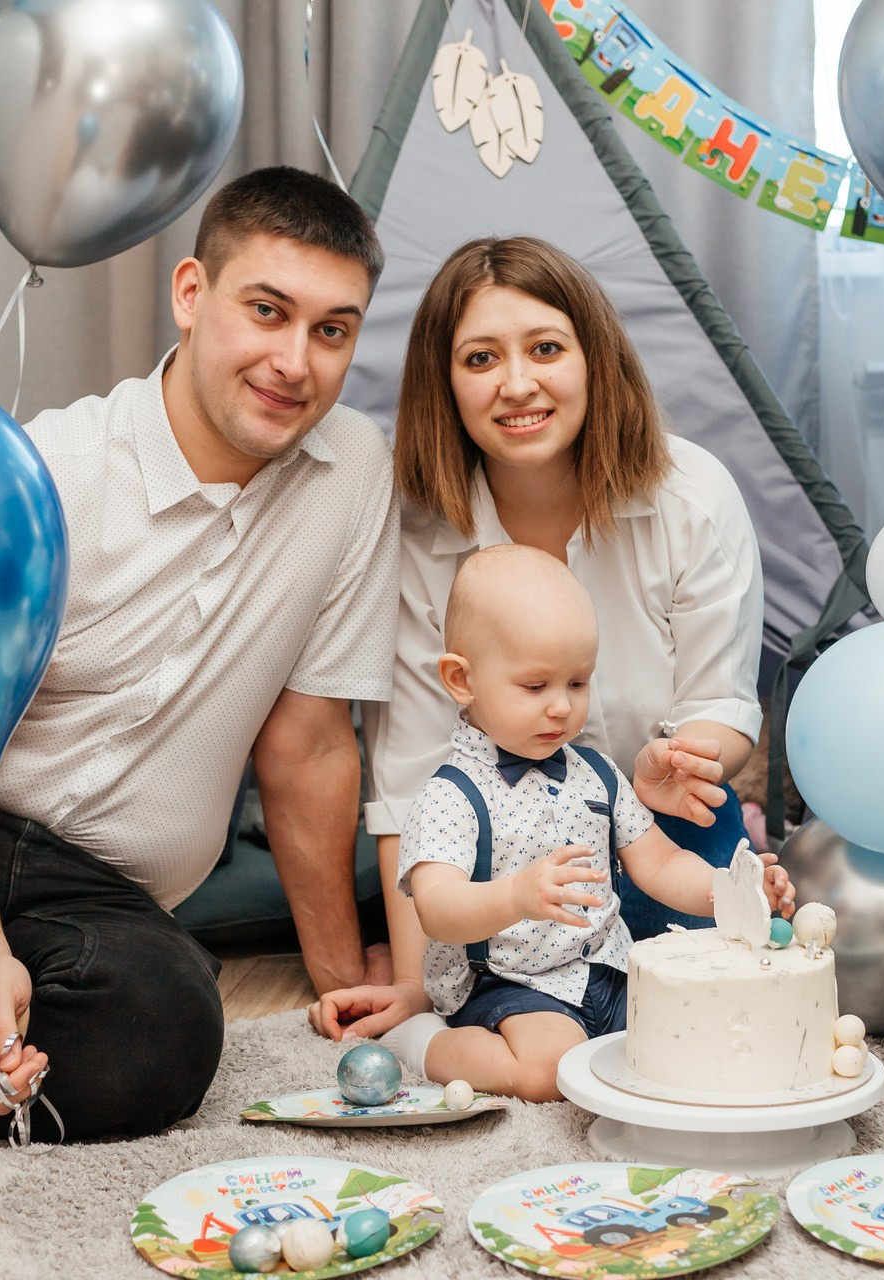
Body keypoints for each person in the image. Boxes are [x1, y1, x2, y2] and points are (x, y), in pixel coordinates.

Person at [0, 166, 399, 1142]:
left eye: (331, 330)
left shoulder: (352, 475)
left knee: (162, 1025)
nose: (293, 360)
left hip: (100, 901)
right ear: (188, 294)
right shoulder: (46, 472)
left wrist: (342, 990)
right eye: (266, 310)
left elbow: (306, 745)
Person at [310, 235, 765, 1044]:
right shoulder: (417, 538)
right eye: (480, 358)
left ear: (593, 358)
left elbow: (720, 702)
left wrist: (679, 762)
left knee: (722, 1026)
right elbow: (412, 782)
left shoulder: (691, 497)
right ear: (444, 385)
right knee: (525, 1030)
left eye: (546, 349)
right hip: (499, 885)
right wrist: (420, 986)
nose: (517, 384)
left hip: (662, 838)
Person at [386, 545, 791, 1100]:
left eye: (577, 683)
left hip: (607, 966)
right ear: (462, 679)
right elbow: (437, 909)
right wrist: (514, 897)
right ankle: (423, 1042)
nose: (561, 707)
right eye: (536, 686)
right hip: (508, 981)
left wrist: (733, 893)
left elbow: (661, 863)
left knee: (688, 1037)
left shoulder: (597, 773)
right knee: (548, 1070)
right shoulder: (450, 795)